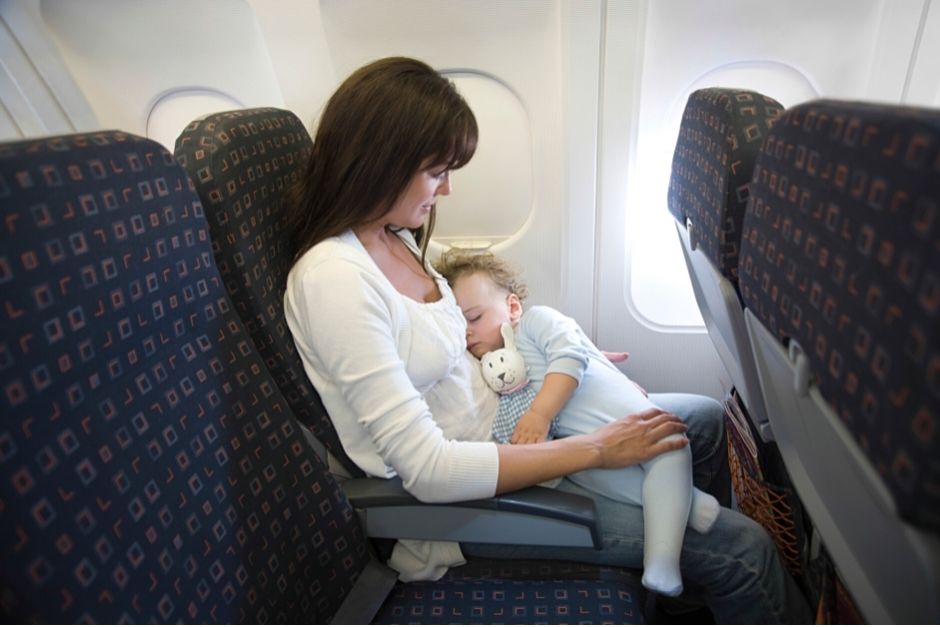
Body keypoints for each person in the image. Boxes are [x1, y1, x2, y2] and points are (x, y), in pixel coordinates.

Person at [283, 56, 811, 623]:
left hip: (514, 419)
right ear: (381, 162)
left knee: (701, 421)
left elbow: (463, 333)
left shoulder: (393, 238)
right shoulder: (333, 281)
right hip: (476, 495)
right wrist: (597, 449)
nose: (448, 189)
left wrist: (563, 357)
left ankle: (684, 588)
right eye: (437, 171)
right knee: (743, 549)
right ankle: (709, 561)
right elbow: (428, 469)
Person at [436, 251, 720, 596]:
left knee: (669, 446)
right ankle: (687, 503)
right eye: (458, 324)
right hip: (584, 441)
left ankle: (662, 559)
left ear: (512, 307)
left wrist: (539, 415)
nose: (467, 333)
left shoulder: (537, 321)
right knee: (593, 475)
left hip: (622, 418)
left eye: (475, 317)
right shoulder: (495, 364)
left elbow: (571, 354)